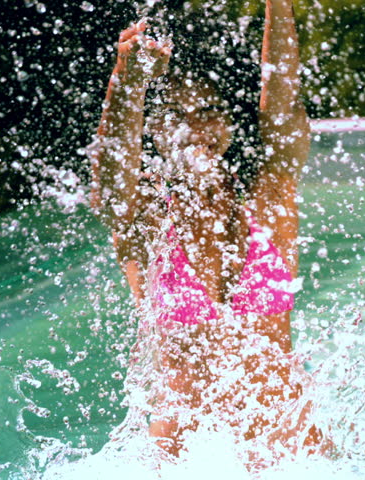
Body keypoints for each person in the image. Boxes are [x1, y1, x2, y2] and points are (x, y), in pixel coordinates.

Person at [89, 0, 322, 461]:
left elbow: (285, 106)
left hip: (290, 453)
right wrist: (128, 81)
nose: (198, 127)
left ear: (231, 124)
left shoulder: (268, 201)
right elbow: (112, 181)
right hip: (189, 459)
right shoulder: (147, 224)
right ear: (153, 130)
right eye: (179, 115)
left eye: (210, 111)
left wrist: (279, 7)